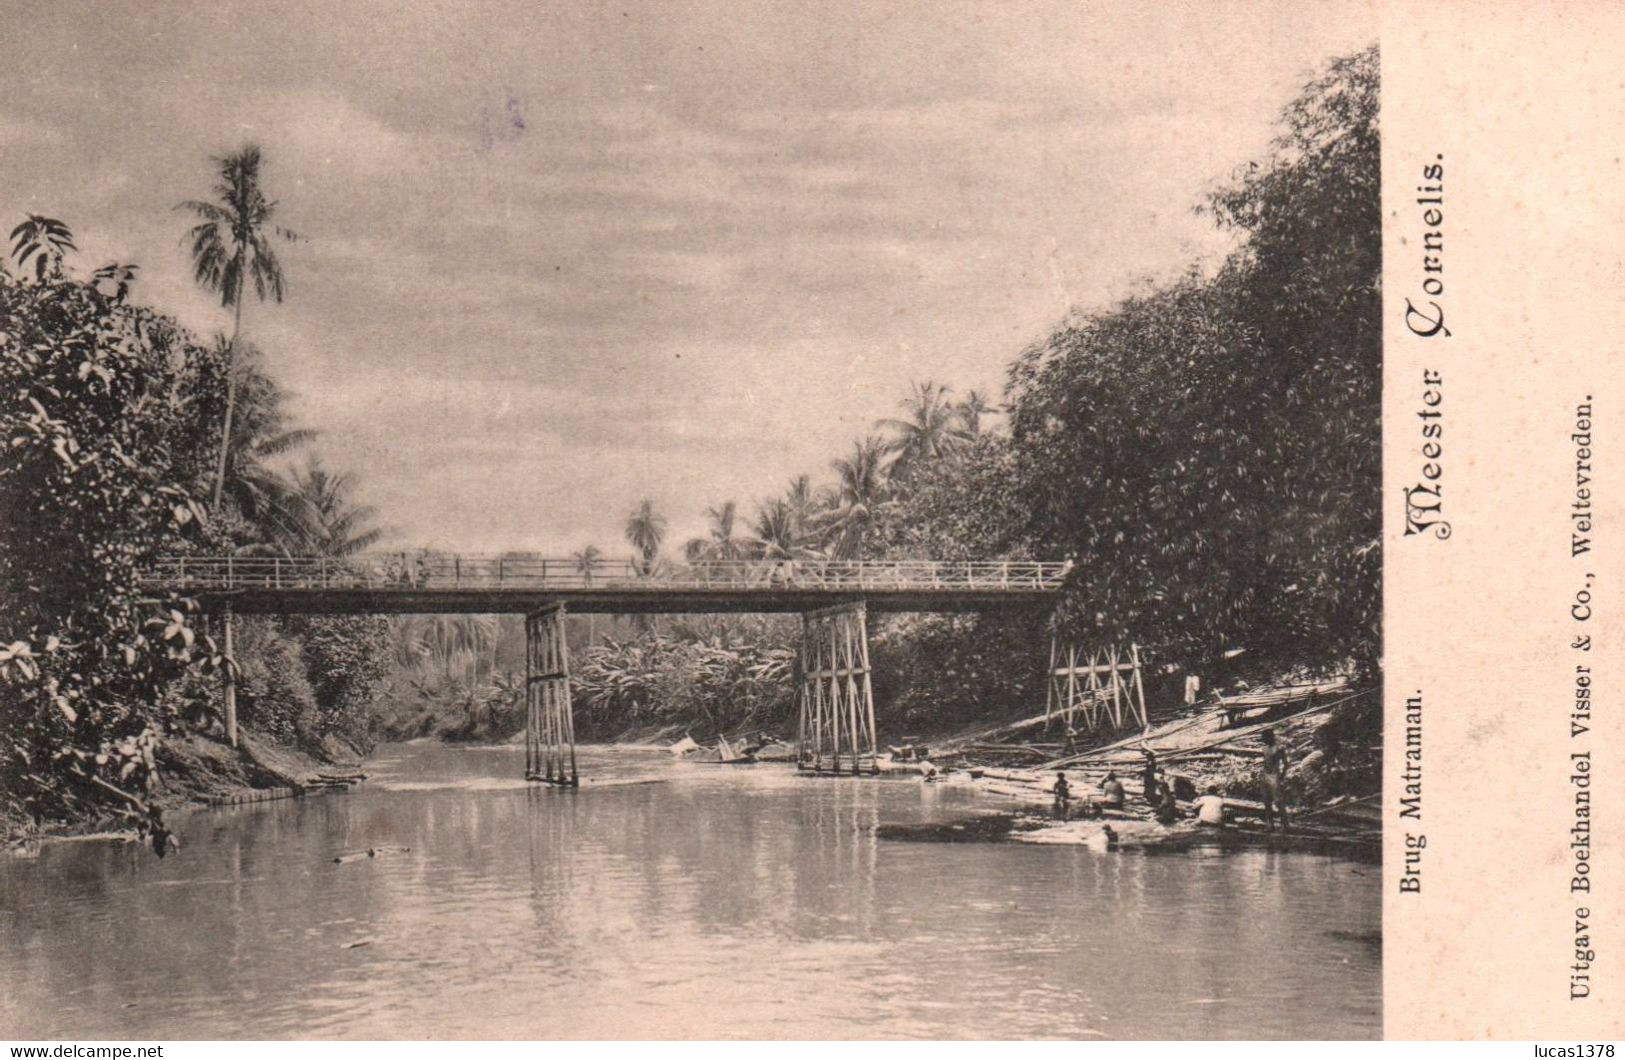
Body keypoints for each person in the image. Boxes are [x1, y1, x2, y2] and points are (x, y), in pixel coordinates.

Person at [1261, 729, 1290, 831]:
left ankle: (1284, 824)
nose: (1263, 740)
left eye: (1264, 738)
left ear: (1270, 737)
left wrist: (1282, 776)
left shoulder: (1278, 748)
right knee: (1266, 801)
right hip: (1265, 775)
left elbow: (1286, 764)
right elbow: (1265, 763)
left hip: (1274, 775)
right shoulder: (1264, 748)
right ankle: (1270, 824)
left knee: (1278, 801)